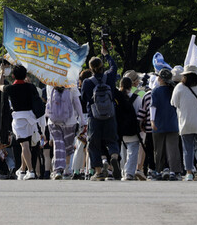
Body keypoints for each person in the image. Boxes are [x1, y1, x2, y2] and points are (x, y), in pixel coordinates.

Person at [81, 44, 120, 181]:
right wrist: (106, 55)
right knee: (112, 139)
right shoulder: (109, 77)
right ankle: (114, 157)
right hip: (110, 115)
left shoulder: (87, 82)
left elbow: (85, 98)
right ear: (102, 66)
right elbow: (114, 67)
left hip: (94, 116)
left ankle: (98, 171)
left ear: (90, 69)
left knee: (94, 143)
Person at [170, 67, 197, 181]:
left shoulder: (179, 87)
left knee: (187, 148)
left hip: (185, 122)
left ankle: (189, 173)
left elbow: (174, 103)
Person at [1, 65, 40, 180]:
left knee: (25, 145)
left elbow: (0, 86)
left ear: (13, 75)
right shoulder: (31, 87)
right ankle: (22, 170)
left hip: (19, 118)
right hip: (31, 117)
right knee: (26, 145)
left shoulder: (10, 88)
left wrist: (1, 75)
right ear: (25, 75)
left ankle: (31, 171)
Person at [45, 79, 84, 180]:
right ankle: (66, 170)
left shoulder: (50, 82)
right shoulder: (71, 82)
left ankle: (58, 170)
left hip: (53, 120)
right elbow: (76, 102)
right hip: (70, 121)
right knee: (68, 146)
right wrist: (82, 119)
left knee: (58, 145)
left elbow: (49, 100)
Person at [146, 69, 181, 180]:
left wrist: (152, 121)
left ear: (160, 79)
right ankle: (173, 171)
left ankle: (159, 170)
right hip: (173, 123)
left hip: (159, 123)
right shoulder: (174, 90)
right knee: (173, 149)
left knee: (158, 149)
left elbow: (153, 107)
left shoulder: (155, 91)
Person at [115, 77, 142, 181]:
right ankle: (129, 173)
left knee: (122, 151)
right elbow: (139, 114)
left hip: (119, 129)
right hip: (132, 129)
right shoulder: (137, 98)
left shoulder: (117, 97)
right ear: (131, 86)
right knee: (133, 151)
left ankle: (122, 171)